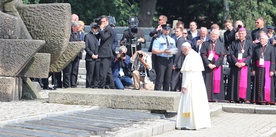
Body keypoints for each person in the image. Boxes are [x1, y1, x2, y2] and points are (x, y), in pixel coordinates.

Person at [176, 42, 211, 130]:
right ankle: (199, 123)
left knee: (190, 102)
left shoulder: (190, 57)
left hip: (191, 84)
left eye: (183, 51)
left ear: (186, 48)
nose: (183, 53)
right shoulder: (196, 55)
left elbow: (189, 73)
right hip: (198, 83)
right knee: (198, 102)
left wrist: (184, 86)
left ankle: (190, 123)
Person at [226, 28, 253, 103]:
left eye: (242, 33)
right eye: (240, 33)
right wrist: (236, 62)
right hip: (236, 65)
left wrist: (244, 63)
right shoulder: (234, 43)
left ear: (245, 34)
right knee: (235, 81)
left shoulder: (249, 43)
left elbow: (250, 55)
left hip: (245, 65)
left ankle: (244, 98)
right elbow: (231, 54)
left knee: (245, 81)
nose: (241, 35)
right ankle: (235, 97)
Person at [200, 29, 226, 101]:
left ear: (218, 36)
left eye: (216, 34)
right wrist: (208, 64)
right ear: (210, 35)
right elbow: (203, 55)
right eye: (213, 34)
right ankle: (207, 97)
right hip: (208, 66)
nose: (214, 35)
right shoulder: (205, 43)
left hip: (216, 67)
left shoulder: (221, 44)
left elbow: (222, 56)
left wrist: (215, 65)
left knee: (216, 81)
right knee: (207, 81)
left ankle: (216, 97)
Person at [152, 24, 177, 91]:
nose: (167, 31)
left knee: (168, 79)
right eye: (165, 30)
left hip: (169, 60)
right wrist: (163, 51)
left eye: (168, 30)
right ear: (162, 30)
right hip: (161, 59)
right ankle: (157, 93)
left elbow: (175, 50)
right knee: (160, 78)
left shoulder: (172, 40)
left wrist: (173, 51)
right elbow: (154, 50)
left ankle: (166, 94)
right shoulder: (158, 39)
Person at [252, 33, 275, 105]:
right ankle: (258, 99)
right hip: (258, 68)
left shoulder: (271, 48)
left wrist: (272, 70)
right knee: (258, 84)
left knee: (266, 84)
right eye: (260, 39)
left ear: (266, 40)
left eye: (262, 39)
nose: (261, 40)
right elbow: (253, 60)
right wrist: (253, 69)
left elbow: (273, 60)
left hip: (267, 69)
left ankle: (266, 99)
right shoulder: (256, 47)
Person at [63, 21, 82, 88]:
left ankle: (73, 84)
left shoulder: (79, 34)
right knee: (68, 71)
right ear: (73, 27)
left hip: (77, 55)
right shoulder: (69, 34)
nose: (78, 28)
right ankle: (67, 85)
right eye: (77, 27)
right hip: (69, 56)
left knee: (75, 71)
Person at [97, 15, 115, 89]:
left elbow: (104, 37)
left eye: (104, 21)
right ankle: (111, 85)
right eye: (101, 22)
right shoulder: (105, 29)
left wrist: (101, 30)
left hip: (106, 52)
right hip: (103, 52)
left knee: (103, 71)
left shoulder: (109, 29)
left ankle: (101, 85)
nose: (102, 23)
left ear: (107, 21)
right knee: (108, 71)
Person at [84, 22, 100, 88]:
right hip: (90, 57)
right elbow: (86, 47)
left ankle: (95, 85)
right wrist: (92, 54)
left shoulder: (98, 36)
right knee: (90, 73)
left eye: (97, 28)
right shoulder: (87, 36)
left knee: (96, 73)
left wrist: (98, 54)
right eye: (94, 28)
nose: (96, 30)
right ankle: (89, 85)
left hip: (97, 57)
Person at [171, 27, 186, 91]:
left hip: (179, 62)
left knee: (175, 77)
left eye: (177, 31)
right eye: (175, 31)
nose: (176, 32)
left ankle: (173, 89)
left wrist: (174, 63)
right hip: (179, 61)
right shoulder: (178, 39)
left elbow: (178, 52)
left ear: (181, 32)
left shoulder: (180, 40)